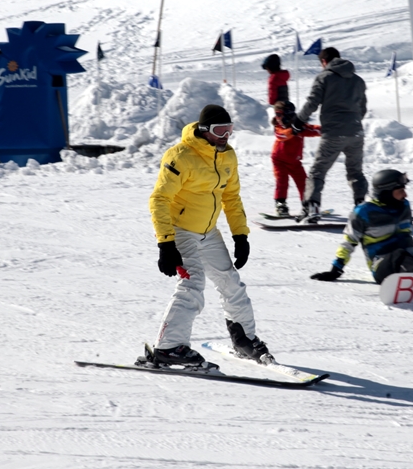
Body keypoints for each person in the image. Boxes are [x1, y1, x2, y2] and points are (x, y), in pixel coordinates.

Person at [145, 104, 270, 368]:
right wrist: (166, 244)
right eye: (219, 130)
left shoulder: (228, 156)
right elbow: (159, 199)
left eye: (229, 130)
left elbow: (231, 197)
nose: (225, 136)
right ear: (204, 130)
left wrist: (240, 235)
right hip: (180, 230)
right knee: (193, 285)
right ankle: (168, 347)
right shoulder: (180, 156)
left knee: (231, 284)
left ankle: (244, 339)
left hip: (208, 232)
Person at [293, 46, 368, 220]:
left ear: (324, 62)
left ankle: (312, 207)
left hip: (334, 133)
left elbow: (312, 103)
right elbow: (362, 109)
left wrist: (298, 121)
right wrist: (352, 122)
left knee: (318, 171)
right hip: (356, 132)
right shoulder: (358, 80)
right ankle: (361, 206)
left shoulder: (324, 77)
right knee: (355, 172)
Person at [270, 100, 320, 217]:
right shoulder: (279, 128)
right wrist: (293, 131)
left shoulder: (298, 126)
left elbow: (312, 129)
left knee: (303, 182)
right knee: (282, 181)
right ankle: (280, 204)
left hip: (294, 162)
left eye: (280, 114)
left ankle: (306, 203)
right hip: (279, 160)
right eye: (277, 115)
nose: (279, 118)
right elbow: (281, 135)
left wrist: (326, 130)